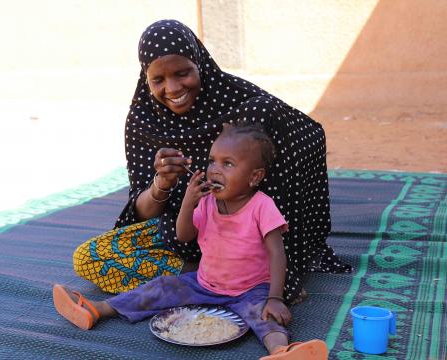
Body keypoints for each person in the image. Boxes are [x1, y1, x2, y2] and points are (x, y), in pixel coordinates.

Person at [72, 19, 350, 302]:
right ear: (146, 78)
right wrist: (161, 184)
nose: (172, 88)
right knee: (88, 259)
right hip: (181, 234)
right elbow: (141, 213)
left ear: (200, 63)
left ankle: (252, 275)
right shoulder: (143, 121)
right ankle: (208, 275)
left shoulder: (245, 107)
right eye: (158, 80)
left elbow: (307, 135)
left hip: (244, 238)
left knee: (266, 120)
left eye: (183, 73)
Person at [53, 123, 328, 360]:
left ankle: (282, 351)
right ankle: (96, 309)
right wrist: (188, 202)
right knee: (160, 287)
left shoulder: (262, 206)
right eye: (212, 161)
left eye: (228, 164)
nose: (215, 170)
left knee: (264, 315)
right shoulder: (207, 201)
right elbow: (185, 236)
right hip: (203, 283)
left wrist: (275, 297)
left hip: (250, 289)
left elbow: (277, 254)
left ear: (255, 176)